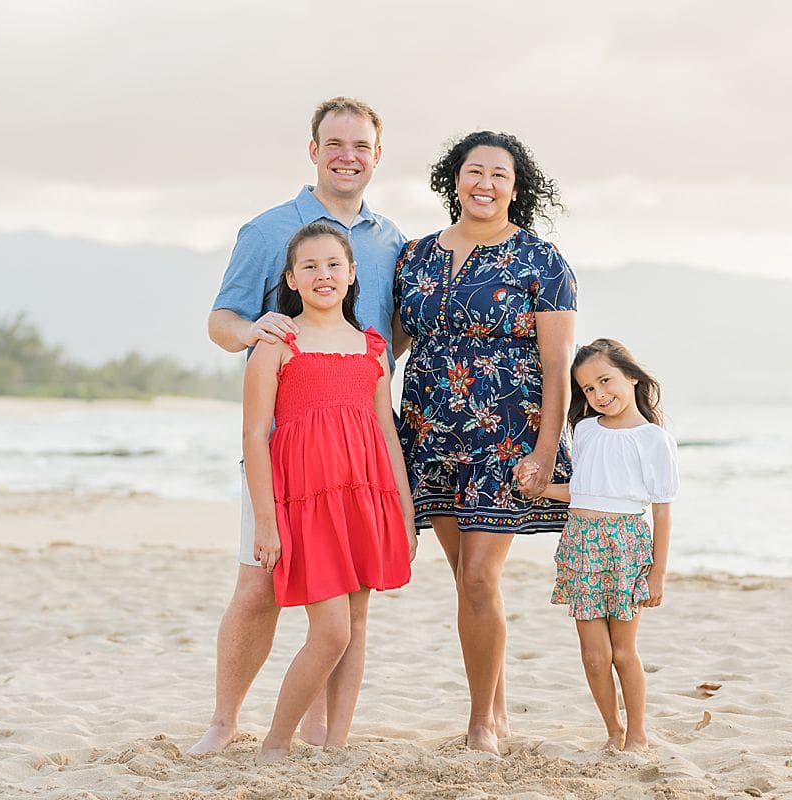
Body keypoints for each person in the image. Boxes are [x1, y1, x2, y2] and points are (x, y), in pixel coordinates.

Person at [190, 97, 406, 755]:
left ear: (376, 155)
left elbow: (388, 339)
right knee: (259, 586)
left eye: (361, 145)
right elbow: (221, 320)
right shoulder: (268, 231)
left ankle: (321, 730)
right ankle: (225, 722)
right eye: (335, 143)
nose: (348, 155)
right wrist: (255, 332)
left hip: (360, 455)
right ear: (313, 150)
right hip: (290, 449)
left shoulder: (390, 240)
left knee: (349, 606)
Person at [392, 130, 577, 754]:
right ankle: (495, 713)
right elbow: (389, 348)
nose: (485, 184)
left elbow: (558, 366)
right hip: (428, 430)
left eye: (499, 175)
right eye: (475, 172)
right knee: (465, 579)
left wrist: (547, 450)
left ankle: (480, 726)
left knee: (478, 578)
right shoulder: (413, 256)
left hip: (506, 434)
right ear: (455, 179)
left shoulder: (541, 260)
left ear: (515, 188)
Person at [243, 222, 416, 762]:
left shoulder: (372, 346)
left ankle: (336, 744)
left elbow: (386, 432)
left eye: (334, 265)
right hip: (305, 504)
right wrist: (267, 522)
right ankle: (276, 743)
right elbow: (254, 435)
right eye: (310, 267)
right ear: (291, 279)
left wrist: (405, 513)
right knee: (332, 631)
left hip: (367, 498)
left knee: (357, 625)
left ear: (352, 273)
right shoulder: (276, 344)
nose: (324, 275)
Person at [516, 338, 678, 751]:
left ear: (632, 377)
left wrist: (658, 572)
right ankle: (613, 730)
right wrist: (539, 489)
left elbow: (662, 510)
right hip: (581, 545)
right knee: (593, 655)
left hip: (626, 547)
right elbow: (583, 491)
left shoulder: (653, 439)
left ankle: (638, 733)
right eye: (588, 389)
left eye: (605, 381)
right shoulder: (585, 431)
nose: (599, 394)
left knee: (623, 653)